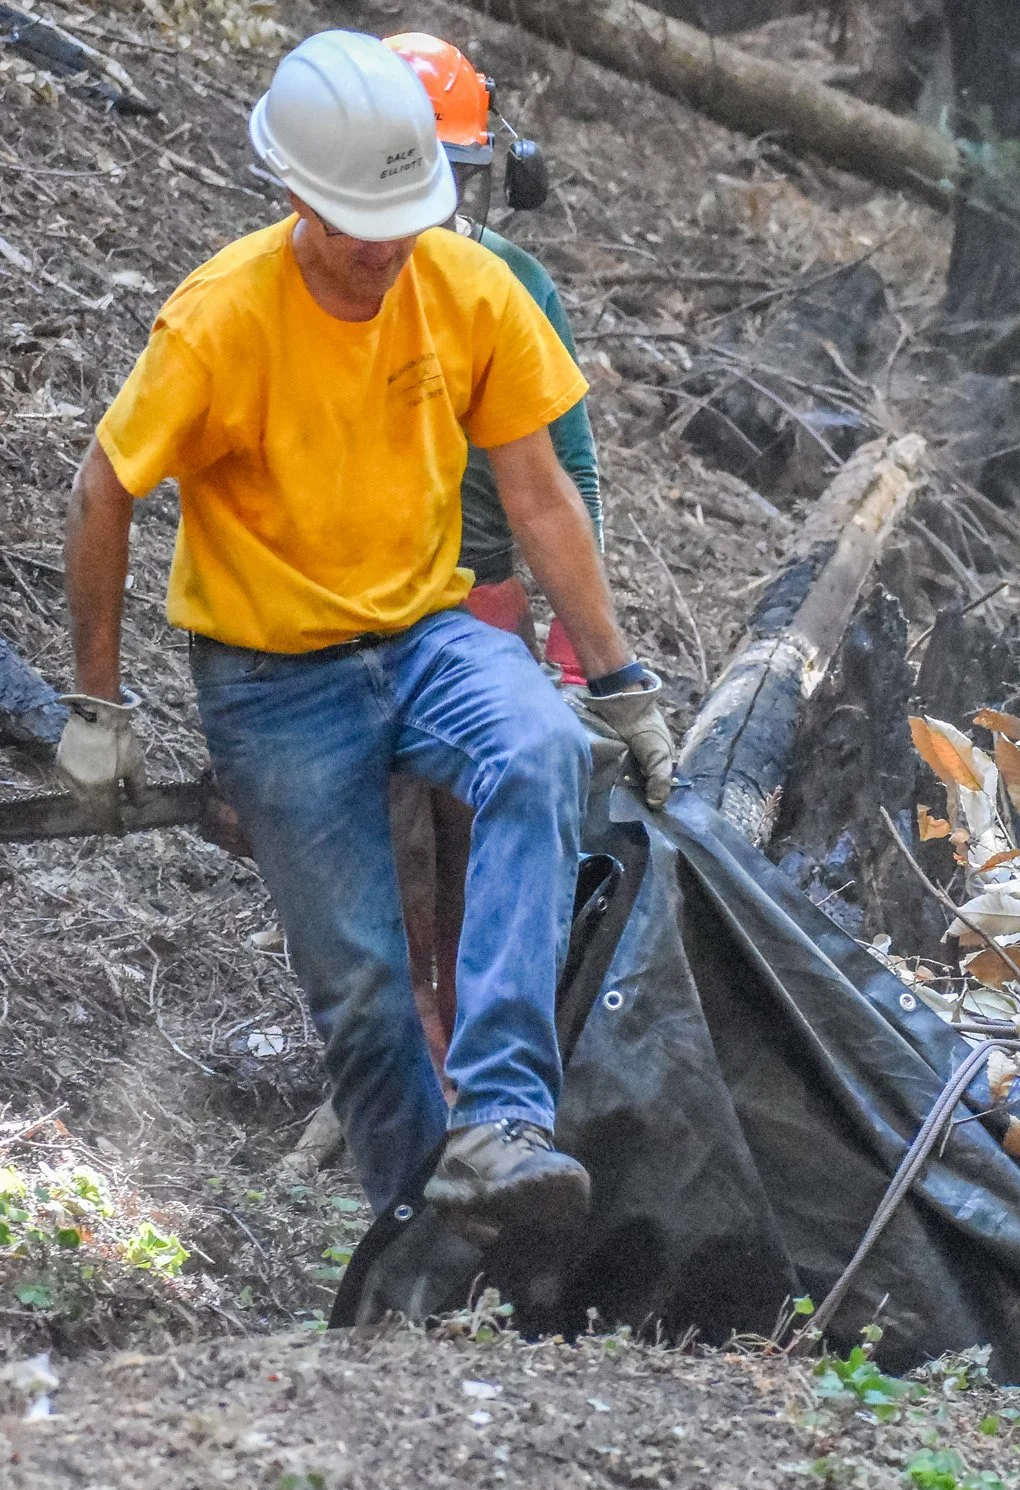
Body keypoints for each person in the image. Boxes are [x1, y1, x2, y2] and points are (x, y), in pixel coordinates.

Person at [52, 31, 676, 1236]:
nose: (386, 250)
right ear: (298, 196)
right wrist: (96, 701)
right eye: (358, 225)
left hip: (428, 630)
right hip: (273, 675)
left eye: (403, 220)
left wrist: (620, 679)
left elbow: (542, 493)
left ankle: (503, 1117)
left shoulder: (468, 288)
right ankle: (418, 1233)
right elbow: (103, 488)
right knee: (363, 990)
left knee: (539, 750)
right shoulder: (224, 315)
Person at [386, 31, 601, 1069]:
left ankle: (481, 1054)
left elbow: (567, 476)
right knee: (391, 851)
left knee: (483, 835)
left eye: (456, 173)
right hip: (355, 609)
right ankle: (402, 1041)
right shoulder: (316, 286)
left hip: (486, 600)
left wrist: (575, 647)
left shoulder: (512, 285)